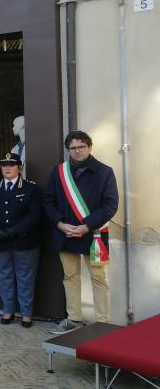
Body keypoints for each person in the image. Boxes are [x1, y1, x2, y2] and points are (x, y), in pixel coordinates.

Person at [44, 131, 118, 333]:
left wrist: (86, 226)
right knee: (70, 276)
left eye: (81, 147)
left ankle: (102, 321)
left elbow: (110, 205)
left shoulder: (105, 172)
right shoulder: (59, 172)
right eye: (73, 148)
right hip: (65, 232)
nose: (77, 151)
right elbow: (48, 201)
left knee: (99, 278)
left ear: (90, 147)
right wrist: (59, 224)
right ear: (68, 150)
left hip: (93, 235)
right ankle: (74, 318)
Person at [0, 152, 42, 327]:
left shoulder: (30, 188)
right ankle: (7, 311)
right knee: (5, 277)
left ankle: (26, 314)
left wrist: (16, 231)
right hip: (0, 241)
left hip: (24, 241)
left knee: (25, 278)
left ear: (19, 167)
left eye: (11, 164)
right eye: (4, 165)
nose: (7, 168)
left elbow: (35, 214)